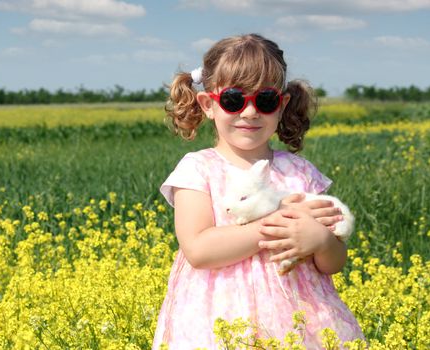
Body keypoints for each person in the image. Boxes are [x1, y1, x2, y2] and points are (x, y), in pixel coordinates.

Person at [152, 33, 364, 349]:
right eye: (234, 100)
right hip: (219, 322)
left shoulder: (300, 172)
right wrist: (278, 223)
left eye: (264, 101)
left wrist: (320, 240)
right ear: (209, 105)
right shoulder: (198, 169)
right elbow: (198, 249)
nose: (250, 113)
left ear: (281, 106)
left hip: (302, 323)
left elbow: (332, 263)